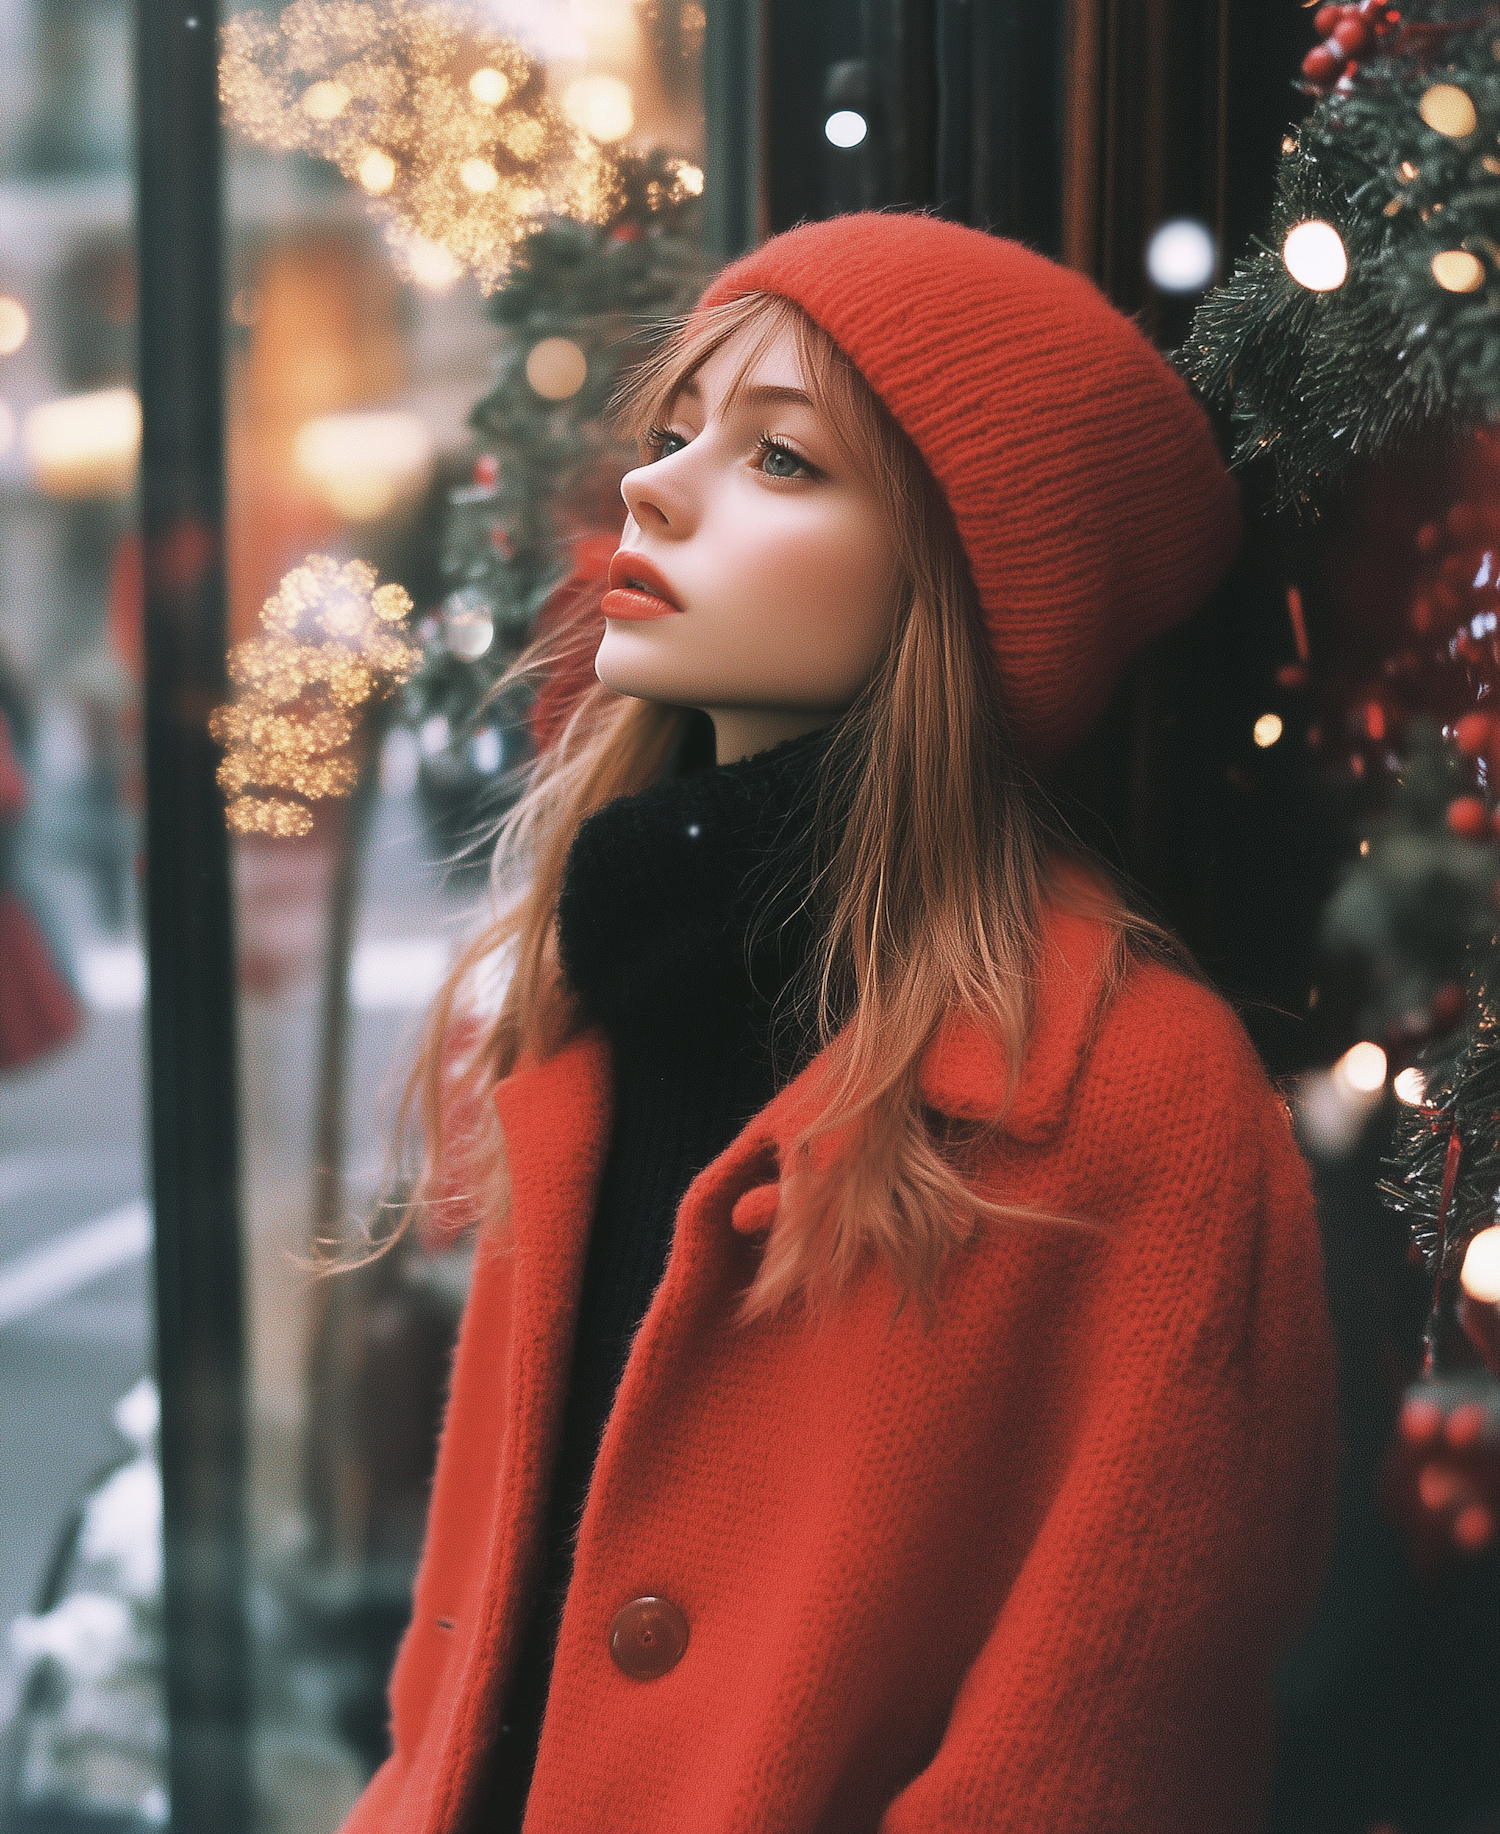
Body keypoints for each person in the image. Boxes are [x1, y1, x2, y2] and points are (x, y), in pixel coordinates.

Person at [341, 212, 1338, 1833]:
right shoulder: (593, 999)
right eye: (674, 435)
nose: (657, 488)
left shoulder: (1131, 1097)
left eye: (784, 459)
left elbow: (1095, 1761)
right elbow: (460, 1678)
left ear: (961, 582)